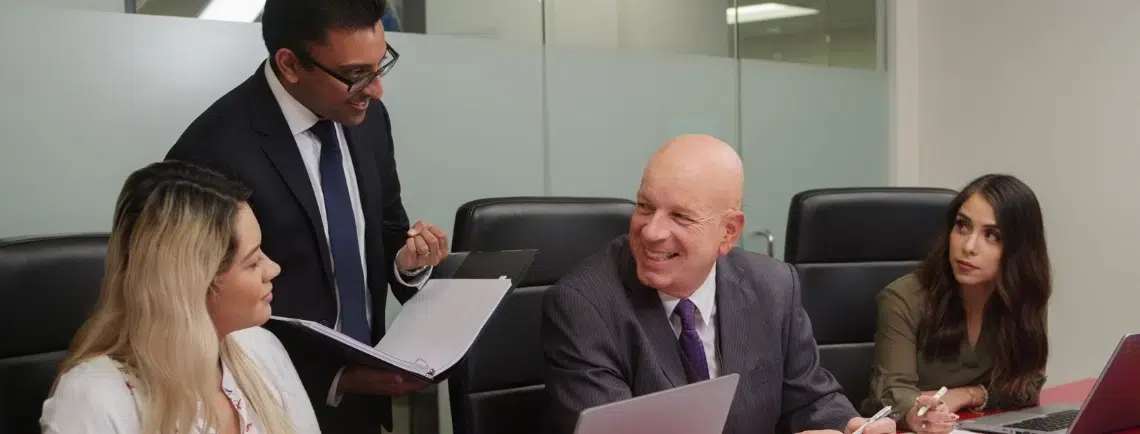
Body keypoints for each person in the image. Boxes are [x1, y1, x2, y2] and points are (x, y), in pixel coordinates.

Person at [165, 0, 448, 431]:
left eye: (380, 66)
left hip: (368, 402)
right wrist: (338, 380)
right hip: (269, 407)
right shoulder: (211, 152)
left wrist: (407, 264)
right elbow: (200, 316)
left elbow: (389, 227)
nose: (375, 90)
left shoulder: (369, 121)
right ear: (290, 64)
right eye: (356, 75)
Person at [541, 134, 896, 434]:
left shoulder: (773, 286)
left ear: (728, 232)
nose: (651, 231)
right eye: (645, 207)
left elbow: (811, 398)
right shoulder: (584, 303)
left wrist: (849, 425)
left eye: (680, 216)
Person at [40, 160, 320, 434]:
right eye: (252, 262)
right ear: (193, 285)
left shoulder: (261, 349)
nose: (273, 268)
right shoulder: (93, 401)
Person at [861, 174, 1051, 434]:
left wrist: (967, 395)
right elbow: (892, 395)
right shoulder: (902, 298)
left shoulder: (1022, 297)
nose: (969, 246)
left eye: (992, 235)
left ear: (1019, 250)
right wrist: (917, 411)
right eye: (962, 226)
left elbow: (1027, 386)